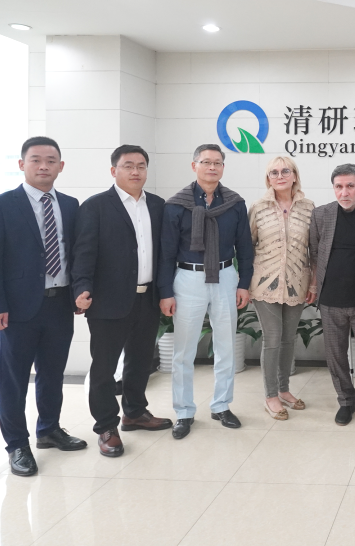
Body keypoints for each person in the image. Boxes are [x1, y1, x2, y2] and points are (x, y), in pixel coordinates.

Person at [0, 136, 87, 476]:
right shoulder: (0, 205)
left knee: (52, 375)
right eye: (36, 159)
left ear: (61, 166)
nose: (43, 166)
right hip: (16, 310)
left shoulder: (70, 205)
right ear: (21, 164)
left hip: (59, 305)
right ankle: (16, 445)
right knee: (14, 380)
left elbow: (76, 254)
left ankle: (49, 430)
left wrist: (79, 292)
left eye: (51, 161)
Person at [72, 144, 173, 457]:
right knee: (104, 367)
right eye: (128, 165)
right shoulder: (96, 206)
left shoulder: (157, 205)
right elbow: (83, 252)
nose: (135, 171)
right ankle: (106, 426)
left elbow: (164, 254)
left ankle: (135, 412)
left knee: (140, 361)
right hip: (107, 300)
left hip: (147, 297)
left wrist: (166, 292)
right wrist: (81, 288)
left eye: (141, 166)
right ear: (113, 170)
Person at [158, 144, 254, 440]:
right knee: (184, 351)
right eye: (206, 162)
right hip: (188, 279)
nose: (212, 167)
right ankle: (184, 411)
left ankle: (221, 405)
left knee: (226, 346)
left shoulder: (235, 203)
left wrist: (244, 283)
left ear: (223, 167)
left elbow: (245, 247)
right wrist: (165, 291)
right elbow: (166, 252)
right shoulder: (176, 205)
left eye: (217, 163)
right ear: (194, 166)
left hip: (225, 276)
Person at [309, 164, 355, 427]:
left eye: (350, 186)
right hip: (331, 300)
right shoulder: (321, 215)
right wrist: (315, 288)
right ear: (333, 188)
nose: (344, 192)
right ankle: (346, 402)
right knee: (336, 356)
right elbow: (315, 253)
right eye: (339, 187)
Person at [249, 156, 316, 421]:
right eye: (274, 172)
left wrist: (313, 282)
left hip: (297, 283)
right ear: (268, 178)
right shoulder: (258, 207)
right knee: (273, 338)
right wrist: (243, 284)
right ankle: (270, 395)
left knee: (289, 339)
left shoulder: (309, 208)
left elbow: (314, 249)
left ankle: (284, 389)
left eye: (285, 171)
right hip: (264, 283)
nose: (280, 176)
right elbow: (247, 246)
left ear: (295, 175)